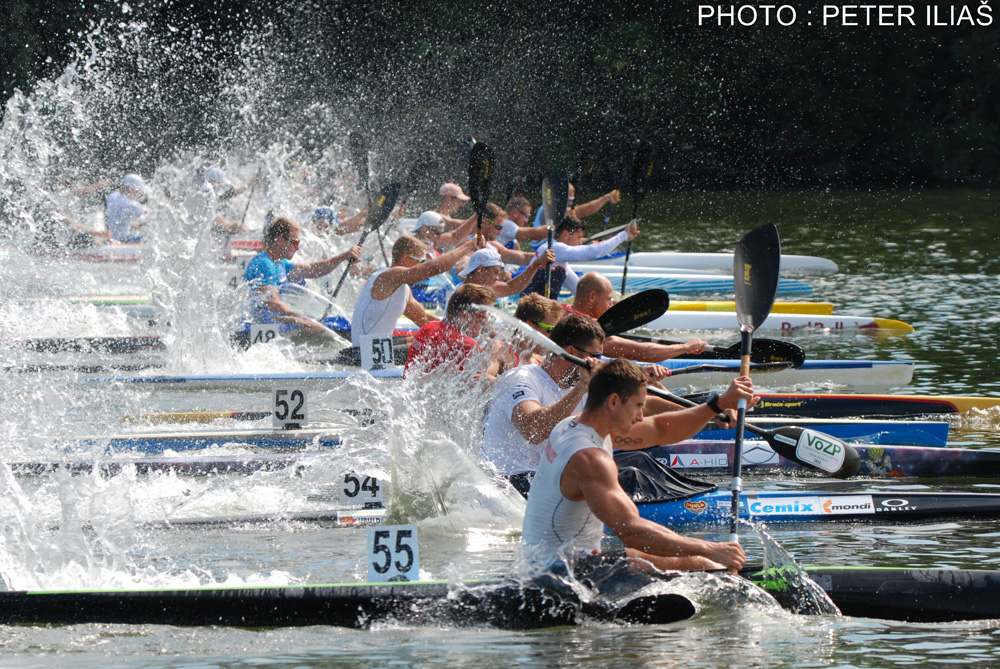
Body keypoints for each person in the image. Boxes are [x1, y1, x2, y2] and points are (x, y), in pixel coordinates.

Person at [520, 358, 747, 574]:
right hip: (559, 576)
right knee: (704, 564)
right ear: (613, 401)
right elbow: (631, 531)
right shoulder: (589, 459)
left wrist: (716, 405)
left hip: (546, 564)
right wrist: (711, 548)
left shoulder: (573, 425)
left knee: (697, 562)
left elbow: (661, 429)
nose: (640, 416)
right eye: (638, 406)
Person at [351, 234, 483, 345]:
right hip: (363, 353)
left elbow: (424, 319)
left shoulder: (402, 289)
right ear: (405, 258)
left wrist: (463, 331)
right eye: (420, 261)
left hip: (375, 348)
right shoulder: (388, 276)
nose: (423, 265)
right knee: (425, 344)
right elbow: (433, 268)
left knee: (429, 339)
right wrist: (468, 246)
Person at [243, 217, 361, 333]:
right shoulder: (264, 265)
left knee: (339, 323)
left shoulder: (280, 264)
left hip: (275, 323)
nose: (297, 247)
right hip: (260, 328)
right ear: (280, 240)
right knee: (321, 325)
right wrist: (303, 319)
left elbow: (313, 269)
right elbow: (272, 303)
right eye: (295, 242)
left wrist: (343, 256)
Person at [571, 272, 708, 362]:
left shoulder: (564, 314)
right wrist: (686, 347)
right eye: (609, 299)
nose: (611, 305)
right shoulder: (587, 330)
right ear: (592, 297)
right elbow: (642, 352)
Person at [521, 215, 638, 297]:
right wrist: (623, 236)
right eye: (579, 237)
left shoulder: (558, 260)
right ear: (565, 235)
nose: (581, 242)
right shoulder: (555, 249)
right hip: (532, 314)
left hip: (535, 310)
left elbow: (580, 292)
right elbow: (593, 252)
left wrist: (609, 302)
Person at [404, 283, 496, 377]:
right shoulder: (466, 345)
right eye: (482, 318)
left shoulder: (428, 327)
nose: (485, 323)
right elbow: (484, 379)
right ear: (464, 316)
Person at [530, 182, 621, 250]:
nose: (571, 202)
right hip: (543, 249)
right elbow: (581, 213)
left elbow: (582, 211)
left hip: (554, 246)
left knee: (591, 242)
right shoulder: (550, 208)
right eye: (569, 199)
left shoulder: (561, 209)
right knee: (590, 243)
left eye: (572, 199)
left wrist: (607, 197)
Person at [458, 245, 556, 298]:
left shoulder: (481, 288)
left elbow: (512, 288)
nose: (497, 277)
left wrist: (536, 264)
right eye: (495, 272)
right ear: (481, 269)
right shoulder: (467, 294)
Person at [104, 173, 145, 242]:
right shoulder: (131, 205)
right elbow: (146, 215)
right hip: (122, 239)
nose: (139, 194)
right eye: (139, 191)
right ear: (132, 189)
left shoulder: (112, 196)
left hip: (110, 238)